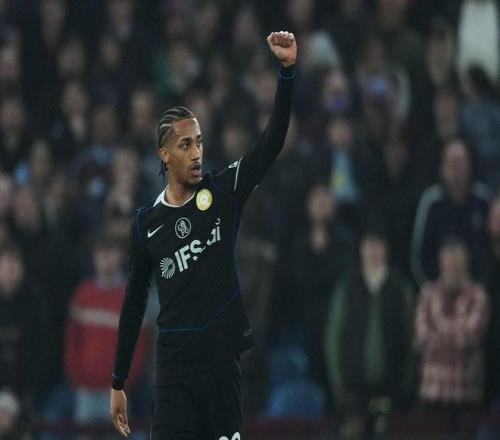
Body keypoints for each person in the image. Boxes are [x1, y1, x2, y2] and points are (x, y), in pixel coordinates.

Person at [110, 31, 297, 439]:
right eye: (184, 145)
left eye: (198, 142)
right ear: (164, 154)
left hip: (221, 365)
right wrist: (118, 381)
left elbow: (271, 143)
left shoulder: (223, 192)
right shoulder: (146, 225)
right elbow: (135, 302)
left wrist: (286, 73)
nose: (196, 153)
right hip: (174, 373)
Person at [324, 229, 414, 439]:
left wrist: (406, 384)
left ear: (386, 249)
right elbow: (333, 339)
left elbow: (411, 340)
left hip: (391, 388)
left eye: (378, 245)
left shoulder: (400, 288)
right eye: (369, 245)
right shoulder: (347, 286)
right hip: (353, 390)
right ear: (361, 249)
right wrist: (339, 385)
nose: (373, 251)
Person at [414, 238, 489, 432]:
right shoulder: (427, 294)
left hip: (466, 394)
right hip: (433, 392)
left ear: (465, 264)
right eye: (448, 264)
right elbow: (422, 338)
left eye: (457, 265)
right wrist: (455, 335)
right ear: (441, 264)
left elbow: (470, 336)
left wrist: (439, 333)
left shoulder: (478, 295)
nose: (452, 270)